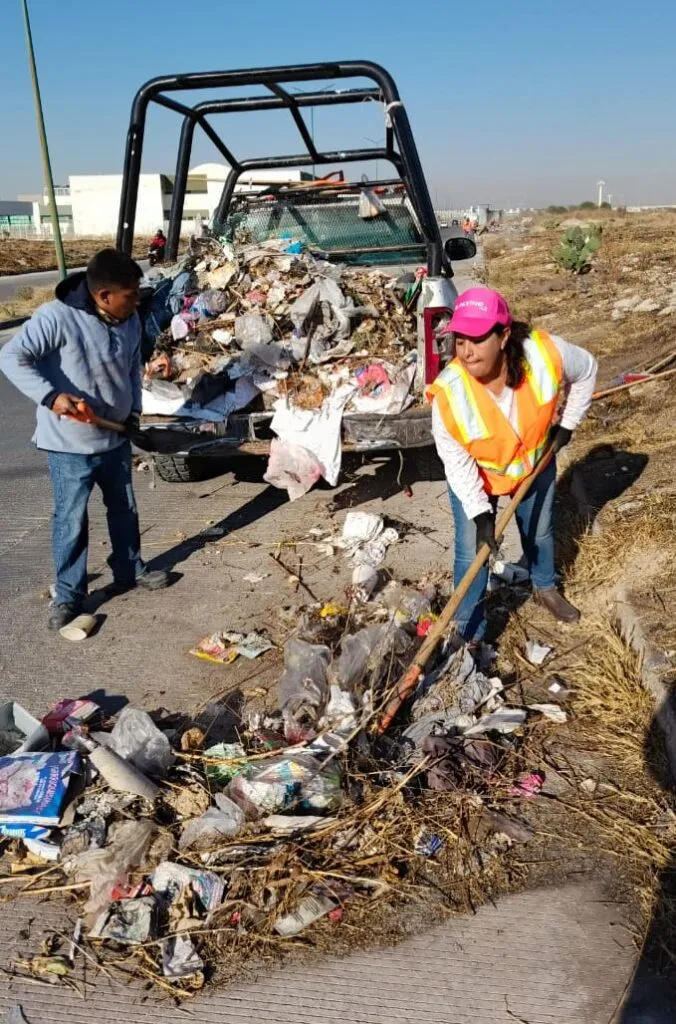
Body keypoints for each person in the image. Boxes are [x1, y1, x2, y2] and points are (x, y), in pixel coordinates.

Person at [0, 248, 170, 632]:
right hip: (69, 444)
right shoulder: (56, 318)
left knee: (124, 509)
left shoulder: (128, 319)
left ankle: (129, 569)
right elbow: (11, 357)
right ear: (104, 295)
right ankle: (68, 596)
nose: (136, 301)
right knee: (72, 520)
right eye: (130, 295)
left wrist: (134, 412)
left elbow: (130, 371)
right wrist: (52, 397)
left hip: (114, 437)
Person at [427, 286, 597, 642]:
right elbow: (456, 462)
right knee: (471, 551)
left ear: (503, 336)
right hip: (478, 475)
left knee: (539, 531)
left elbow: (588, 370)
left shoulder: (545, 353)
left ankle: (545, 587)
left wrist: (566, 427)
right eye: (460, 340)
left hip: (534, 465)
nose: (466, 351)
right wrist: (480, 512)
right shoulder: (449, 394)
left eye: (476, 338)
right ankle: (469, 628)